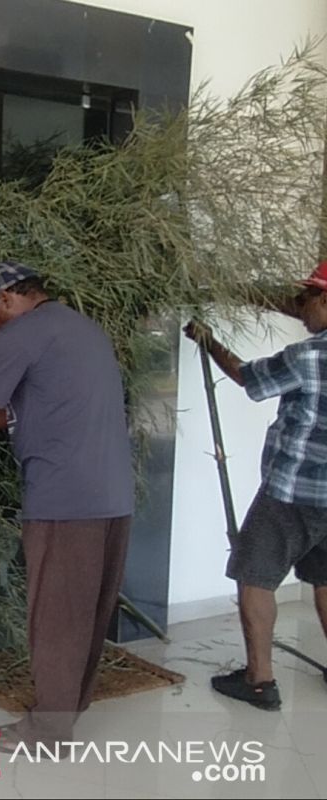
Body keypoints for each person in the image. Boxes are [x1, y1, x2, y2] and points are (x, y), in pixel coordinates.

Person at [0, 260, 134, 747]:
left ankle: (48, 730)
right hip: (113, 496)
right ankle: (68, 707)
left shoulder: (19, 335)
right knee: (88, 612)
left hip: (63, 500)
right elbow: (29, 412)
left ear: (6, 301)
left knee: (54, 616)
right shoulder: (86, 331)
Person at [184, 260, 327, 711]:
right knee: (325, 577)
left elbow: (251, 379)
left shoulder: (309, 357)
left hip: (294, 492)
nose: (300, 308)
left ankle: (259, 681)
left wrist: (208, 341)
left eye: (306, 300)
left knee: (255, 575)